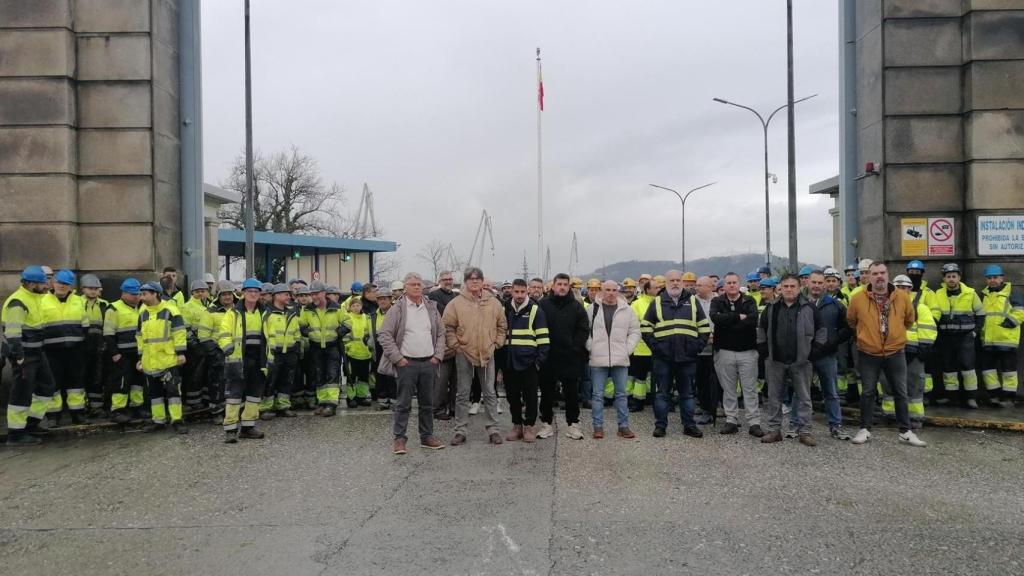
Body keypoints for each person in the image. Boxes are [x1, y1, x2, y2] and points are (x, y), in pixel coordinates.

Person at [846, 262, 926, 447]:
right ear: (869, 276)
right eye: (875, 273)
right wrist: (866, 336)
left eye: (882, 272)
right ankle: (864, 429)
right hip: (868, 352)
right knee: (867, 392)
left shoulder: (902, 297)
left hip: (895, 352)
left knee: (900, 391)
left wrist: (895, 336)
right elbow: (851, 321)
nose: (879, 276)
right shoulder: (857, 298)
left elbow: (909, 320)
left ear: (888, 274)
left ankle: (905, 431)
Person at [377, 272, 446, 454]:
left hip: (429, 362)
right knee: (403, 404)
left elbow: (440, 333)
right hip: (407, 364)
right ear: (405, 288)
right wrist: (398, 358)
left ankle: (426, 436)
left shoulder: (431, 307)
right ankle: (399, 439)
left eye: (419, 284)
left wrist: (437, 356)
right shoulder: (397, 309)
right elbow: (384, 335)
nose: (417, 287)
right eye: (413, 284)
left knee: (427, 403)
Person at [757, 274, 825, 446]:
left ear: (799, 287)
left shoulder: (809, 307)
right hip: (775, 361)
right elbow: (761, 330)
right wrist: (764, 351)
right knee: (774, 398)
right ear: (779, 288)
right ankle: (774, 430)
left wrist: (813, 352)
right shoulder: (771, 308)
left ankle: (805, 432)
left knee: (803, 398)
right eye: (785, 286)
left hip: (801, 362)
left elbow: (821, 330)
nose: (788, 289)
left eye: (792, 286)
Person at [443, 267, 507, 446]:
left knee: (490, 393)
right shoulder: (456, 303)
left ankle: (493, 429)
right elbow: (448, 327)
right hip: (464, 353)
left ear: (482, 280)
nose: (474, 281)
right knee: (463, 393)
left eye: (477, 278)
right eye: (470, 279)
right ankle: (460, 430)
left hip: (487, 353)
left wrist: (497, 343)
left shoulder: (493, 302)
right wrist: (456, 345)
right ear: (465, 281)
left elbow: (502, 325)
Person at [642, 270, 710, 439]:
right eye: (671, 280)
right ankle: (660, 426)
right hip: (663, 358)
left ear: (682, 282)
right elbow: (645, 328)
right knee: (662, 394)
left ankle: (689, 425)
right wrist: (656, 348)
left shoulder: (693, 301)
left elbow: (704, 328)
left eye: (678, 280)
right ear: (665, 283)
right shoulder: (657, 302)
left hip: (687, 358)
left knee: (687, 394)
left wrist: (696, 348)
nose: (675, 283)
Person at [3, 266, 59, 445]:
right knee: (21, 393)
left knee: (47, 386)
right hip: (24, 355)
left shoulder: (36, 298)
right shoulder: (18, 302)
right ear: (31, 283)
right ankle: (16, 434)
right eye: (43, 283)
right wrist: (18, 355)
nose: (46, 285)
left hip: (37, 352)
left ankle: (31, 424)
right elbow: (12, 332)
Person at [537, 273, 590, 440]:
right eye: (559, 284)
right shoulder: (543, 305)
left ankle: (573, 424)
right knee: (546, 392)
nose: (562, 287)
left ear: (569, 287)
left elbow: (583, 329)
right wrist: (542, 350)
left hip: (570, 356)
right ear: (553, 286)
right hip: (549, 356)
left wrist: (575, 347)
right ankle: (546, 423)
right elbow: (537, 327)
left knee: (571, 393)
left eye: (565, 284)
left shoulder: (576, 306)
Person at [710, 272, 763, 437]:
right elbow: (715, 318)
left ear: (739, 284)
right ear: (723, 286)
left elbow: (753, 320)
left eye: (734, 282)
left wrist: (730, 323)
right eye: (728, 283)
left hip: (747, 352)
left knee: (750, 389)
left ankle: (754, 422)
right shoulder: (717, 301)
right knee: (728, 389)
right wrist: (738, 318)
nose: (731, 285)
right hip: (724, 352)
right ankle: (731, 420)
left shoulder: (749, 300)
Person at [587, 280, 641, 439]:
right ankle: (598, 427)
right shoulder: (592, 309)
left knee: (621, 394)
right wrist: (592, 347)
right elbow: (584, 331)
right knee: (597, 394)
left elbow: (635, 331)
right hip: (598, 358)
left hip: (620, 358)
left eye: (614, 290)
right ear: (601, 291)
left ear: (618, 291)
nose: (610, 292)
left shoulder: (627, 310)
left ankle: (623, 426)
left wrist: (627, 349)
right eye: (607, 289)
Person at [135, 282, 188, 433]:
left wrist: (180, 353)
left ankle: (177, 420)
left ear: (155, 294)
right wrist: (140, 357)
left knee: (173, 392)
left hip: (168, 360)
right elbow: (139, 337)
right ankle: (158, 421)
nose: (142, 296)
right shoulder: (143, 313)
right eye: (141, 293)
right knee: (155, 394)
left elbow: (179, 332)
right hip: (150, 361)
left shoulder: (170, 310)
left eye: (145, 294)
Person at [806, 270, 853, 440]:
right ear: (807, 283)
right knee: (801, 392)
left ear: (824, 284)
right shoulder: (800, 303)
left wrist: (833, 342)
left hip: (827, 355)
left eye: (820, 283)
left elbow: (847, 328)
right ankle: (797, 425)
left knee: (830, 392)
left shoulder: (835, 305)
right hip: (806, 356)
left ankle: (836, 426)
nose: (817, 286)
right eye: (814, 282)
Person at [219, 278, 268, 442]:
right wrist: (227, 347)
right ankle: (230, 429)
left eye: (256, 291)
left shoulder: (265, 313)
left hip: (259, 359)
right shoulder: (233, 313)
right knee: (234, 395)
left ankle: (248, 427)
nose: (253, 294)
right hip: (238, 359)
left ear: (260, 294)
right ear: (243, 293)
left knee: (254, 394)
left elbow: (271, 336)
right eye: (250, 291)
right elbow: (224, 333)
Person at [503, 279, 549, 443]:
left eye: (523, 292)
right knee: (512, 396)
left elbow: (543, 338)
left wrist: (538, 362)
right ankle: (517, 425)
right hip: (510, 362)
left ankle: (529, 425)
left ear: (527, 291)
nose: (520, 295)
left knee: (530, 397)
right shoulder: (505, 308)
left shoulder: (535, 310)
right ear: (512, 292)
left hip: (529, 363)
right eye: (517, 292)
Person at [41, 269, 88, 425]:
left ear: (71, 286)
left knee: (76, 382)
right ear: (53, 282)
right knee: (53, 382)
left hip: (75, 348)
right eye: (60, 282)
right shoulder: (42, 301)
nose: (62, 286)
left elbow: (85, 325)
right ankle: (53, 415)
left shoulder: (79, 301)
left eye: (66, 284)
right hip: (51, 349)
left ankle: (77, 413)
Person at [933, 263, 984, 408]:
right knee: (949, 368)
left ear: (959, 277)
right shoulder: (938, 294)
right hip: (946, 337)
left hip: (965, 337)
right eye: (948, 277)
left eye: (954, 276)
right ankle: (952, 398)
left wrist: (975, 332)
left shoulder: (970, 293)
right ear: (944, 279)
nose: (951, 279)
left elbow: (981, 314)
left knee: (968, 367)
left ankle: (971, 398)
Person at [894, 274, 937, 428]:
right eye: (898, 287)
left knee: (914, 385)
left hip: (914, 352)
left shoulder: (920, 307)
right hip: (893, 352)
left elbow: (928, 328)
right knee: (891, 385)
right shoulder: (886, 305)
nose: (901, 290)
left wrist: (923, 348)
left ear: (910, 289)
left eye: (904, 287)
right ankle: (893, 416)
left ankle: (915, 418)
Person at [980, 265, 1023, 407]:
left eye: (995, 277)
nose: (992, 280)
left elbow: (1020, 311)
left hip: (1007, 339)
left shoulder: (1012, 292)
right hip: (988, 340)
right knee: (988, 370)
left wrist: (1010, 322)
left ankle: (1009, 398)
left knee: (1008, 371)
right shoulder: (985, 294)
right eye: (989, 278)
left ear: (1002, 278)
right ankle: (994, 395)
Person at [302, 281, 346, 416]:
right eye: (312, 294)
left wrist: (337, 333)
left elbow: (347, 323)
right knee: (319, 375)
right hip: (316, 347)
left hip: (332, 346)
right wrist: (309, 333)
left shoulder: (336, 308)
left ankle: (331, 404)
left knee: (332, 375)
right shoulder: (307, 309)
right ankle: (322, 403)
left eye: (316, 294)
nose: (314, 297)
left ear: (324, 293)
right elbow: (301, 325)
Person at [104, 278, 145, 423]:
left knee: (138, 382)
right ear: (124, 293)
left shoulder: (141, 308)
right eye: (133, 294)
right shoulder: (113, 308)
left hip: (138, 353)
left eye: (138, 294)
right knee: (121, 382)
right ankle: (117, 410)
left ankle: (136, 407)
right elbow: (108, 334)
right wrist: (115, 354)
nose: (137, 297)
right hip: (122, 354)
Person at [261, 284, 301, 418]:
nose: (289, 297)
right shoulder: (267, 314)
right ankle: (266, 408)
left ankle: (283, 406)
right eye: (286, 294)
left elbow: (296, 332)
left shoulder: (291, 313)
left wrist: (296, 345)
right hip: (274, 353)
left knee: (287, 380)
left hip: (290, 352)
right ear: (276, 296)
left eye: (289, 294)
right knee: (270, 380)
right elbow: (264, 334)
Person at [427, 271, 458, 420]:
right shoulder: (434, 296)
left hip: (457, 344)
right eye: (445, 279)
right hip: (442, 345)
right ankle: (438, 409)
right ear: (440, 281)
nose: (448, 281)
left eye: (450, 279)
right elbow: (444, 314)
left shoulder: (456, 296)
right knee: (441, 380)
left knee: (456, 380)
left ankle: (453, 407)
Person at [203, 281, 236, 412]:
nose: (227, 297)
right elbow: (204, 336)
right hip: (218, 353)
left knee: (234, 383)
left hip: (236, 352)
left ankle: (232, 410)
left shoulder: (239, 310)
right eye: (224, 295)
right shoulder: (210, 312)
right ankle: (216, 410)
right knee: (217, 383)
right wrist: (215, 353)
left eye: (229, 294)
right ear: (218, 296)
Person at [79, 274, 108, 417]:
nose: (93, 291)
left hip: (98, 345)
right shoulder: (77, 303)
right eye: (90, 288)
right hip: (82, 345)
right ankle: (82, 407)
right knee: (81, 376)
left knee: (97, 377)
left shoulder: (104, 305)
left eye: (96, 288)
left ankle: (96, 407)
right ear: (83, 289)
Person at [628, 277, 658, 412]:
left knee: (656, 376)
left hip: (657, 347)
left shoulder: (661, 303)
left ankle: (652, 399)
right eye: (655, 288)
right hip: (641, 348)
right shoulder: (637, 304)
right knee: (640, 377)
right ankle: (637, 402)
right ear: (647, 290)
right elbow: (633, 325)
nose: (658, 290)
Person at [180, 280, 211, 411]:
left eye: (203, 291)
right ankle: (192, 401)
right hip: (194, 348)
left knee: (205, 375)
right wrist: (194, 344)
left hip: (208, 345)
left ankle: (204, 399)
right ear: (192, 293)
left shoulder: (210, 305)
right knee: (193, 375)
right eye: (197, 291)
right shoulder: (186, 307)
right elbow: (185, 329)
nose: (200, 294)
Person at [693, 276, 718, 425]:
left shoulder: (719, 300)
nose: (697, 287)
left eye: (700, 285)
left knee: (719, 382)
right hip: (699, 348)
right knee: (701, 381)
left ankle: (721, 409)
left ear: (710, 286)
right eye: (696, 285)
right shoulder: (691, 302)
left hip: (718, 348)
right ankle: (706, 410)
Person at [342, 297, 374, 408]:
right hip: (352, 354)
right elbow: (345, 336)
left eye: (358, 305)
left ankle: (362, 396)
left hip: (365, 353)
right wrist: (349, 347)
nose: (356, 307)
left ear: (361, 306)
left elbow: (370, 333)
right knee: (352, 377)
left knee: (364, 378)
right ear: (350, 307)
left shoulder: (367, 318)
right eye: (353, 305)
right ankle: (351, 398)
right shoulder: (347, 318)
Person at [370, 287, 396, 410]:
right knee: (380, 374)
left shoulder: (397, 312)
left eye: (385, 299)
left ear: (390, 299)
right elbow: (368, 330)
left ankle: (395, 400)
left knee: (393, 375)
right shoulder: (373, 315)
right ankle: (383, 401)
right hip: (378, 347)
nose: (382, 301)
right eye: (380, 299)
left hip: (392, 346)